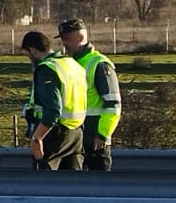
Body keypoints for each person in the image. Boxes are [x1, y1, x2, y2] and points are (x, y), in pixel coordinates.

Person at [58, 18, 121, 172]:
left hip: (94, 138)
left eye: (67, 38)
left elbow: (113, 104)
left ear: (80, 37)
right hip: (74, 137)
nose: (64, 43)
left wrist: (103, 135)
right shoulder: (70, 62)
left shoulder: (99, 64)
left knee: (99, 188)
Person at [20, 30, 86, 171]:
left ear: (32, 50)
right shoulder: (72, 64)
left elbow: (53, 110)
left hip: (54, 135)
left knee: (45, 185)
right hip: (76, 133)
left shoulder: (47, 69)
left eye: (28, 55)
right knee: (73, 187)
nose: (29, 59)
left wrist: (37, 138)